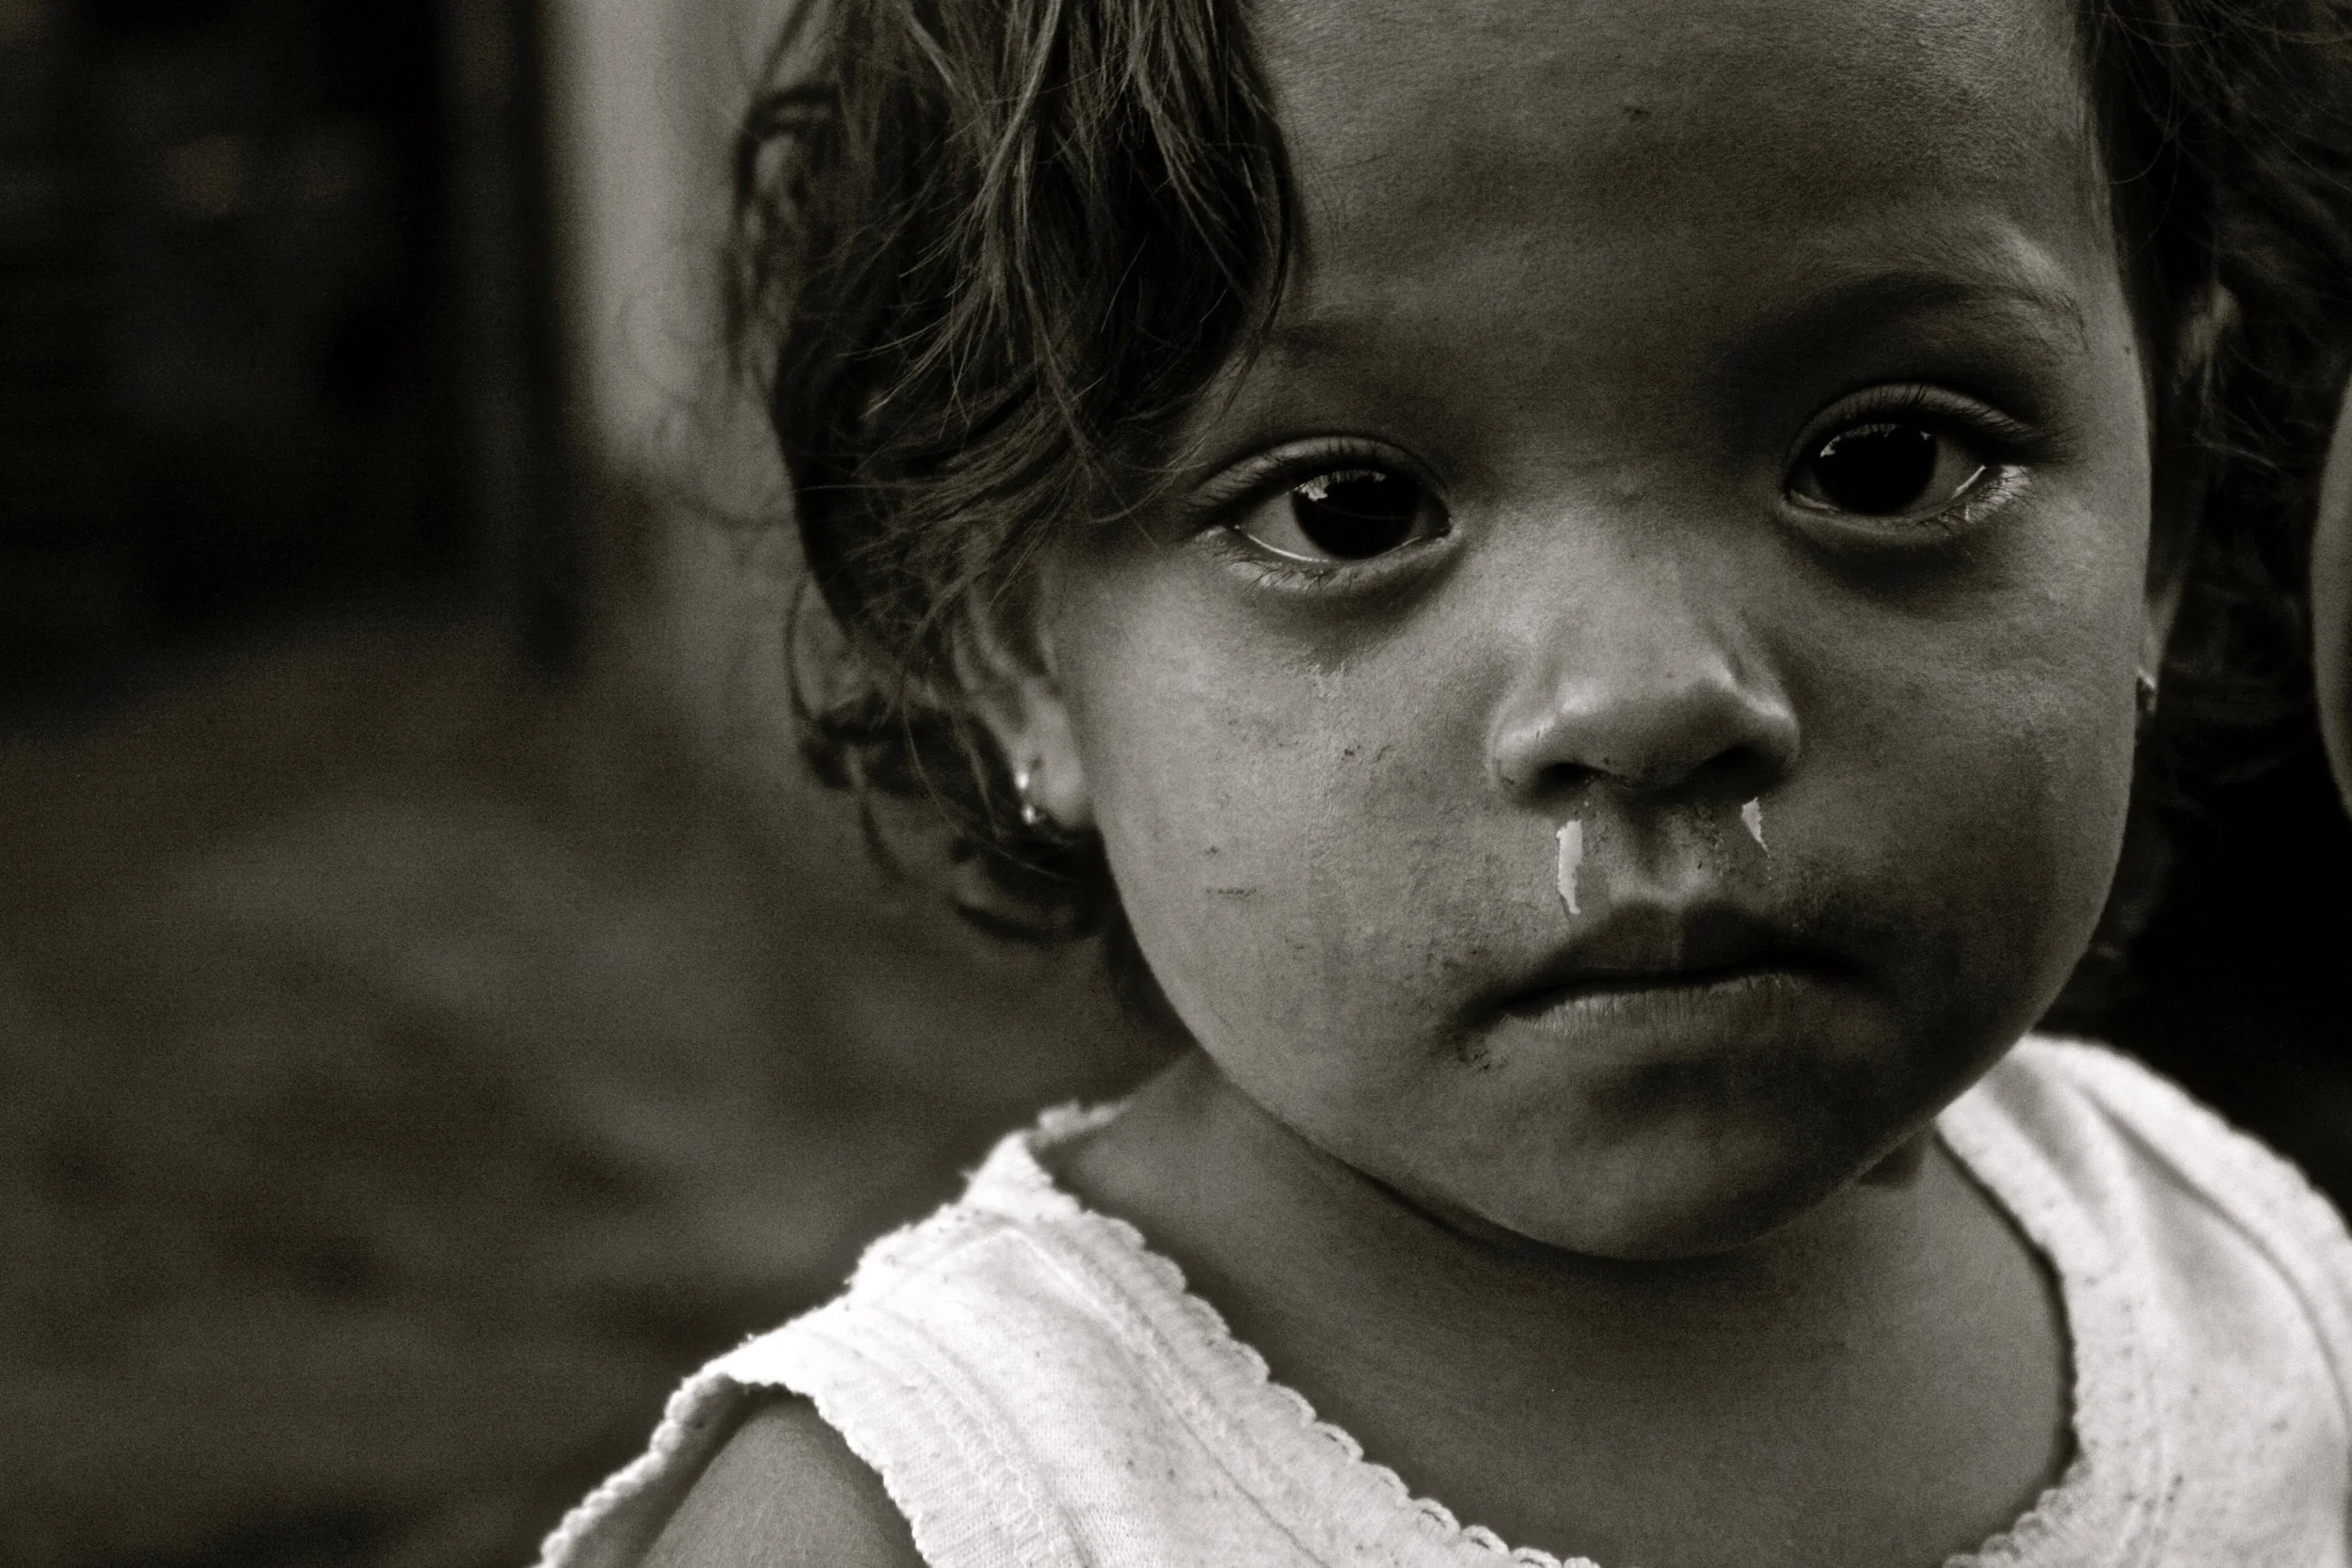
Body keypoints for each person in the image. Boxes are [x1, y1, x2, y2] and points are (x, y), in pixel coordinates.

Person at [541, 0, 2352, 1561]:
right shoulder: (940, 1519)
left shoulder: (2253, 1290)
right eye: (1349, 508)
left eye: (1886, 461)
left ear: (2165, 514)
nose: (1648, 698)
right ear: (1012, 642)